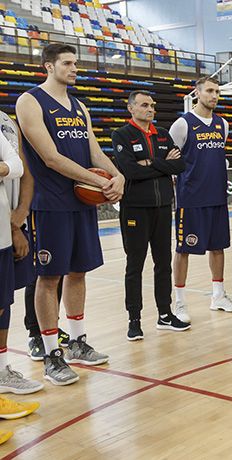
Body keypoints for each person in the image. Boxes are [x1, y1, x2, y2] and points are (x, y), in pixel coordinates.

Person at [16, 43, 124, 386]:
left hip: (81, 202)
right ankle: (51, 353)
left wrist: (117, 174)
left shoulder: (79, 106)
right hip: (49, 202)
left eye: (75, 63)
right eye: (67, 63)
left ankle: (77, 341)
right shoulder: (30, 101)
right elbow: (49, 157)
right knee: (49, 278)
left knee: (79, 272)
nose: (74, 68)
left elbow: (93, 149)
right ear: (48, 66)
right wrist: (98, 181)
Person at [112, 90, 190, 341]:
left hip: (162, 207)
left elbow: (180, 164)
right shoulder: (122, 134)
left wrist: (149, 162)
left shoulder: (164, 134)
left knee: (163, 264)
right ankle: (134, 320)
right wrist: (161, 162)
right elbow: (129, 170)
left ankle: (165, 315)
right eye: (144, 105)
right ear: (131, 108)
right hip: (135, 209)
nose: (150, 109)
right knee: (135, 266)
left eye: (153, 105)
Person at [169, 76, 232, 323]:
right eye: (209, 91)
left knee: (218, 247)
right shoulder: (182, 124)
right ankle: (179, 302)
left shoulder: (223, 124)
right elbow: (171, 161)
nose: (214, 95)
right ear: (197, 93)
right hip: (191, 200)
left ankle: (218, 296)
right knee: (183, 250)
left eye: (217, 91)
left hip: (217, 197)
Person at [0, 109, 42, 428]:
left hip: (5, 226)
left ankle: (2, 373)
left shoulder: (5, 121)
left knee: (3, 303)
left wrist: (18, 222)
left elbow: (20, 169)